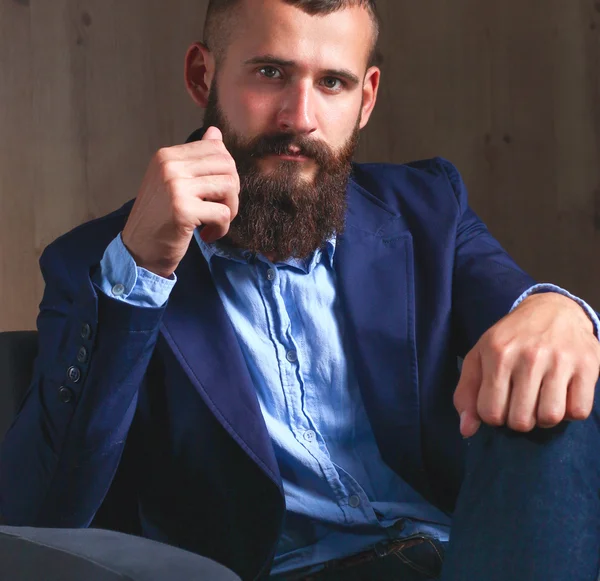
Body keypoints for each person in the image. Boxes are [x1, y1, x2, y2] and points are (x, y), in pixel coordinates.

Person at [1, 0, 600, 579]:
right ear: (201, 74)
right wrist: (141, 272)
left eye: (332, 84)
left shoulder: (428, 208)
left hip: (472, 556)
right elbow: (40, 520)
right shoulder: (99, 261)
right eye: (270, 73)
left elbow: (534, 321)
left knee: (566, 391)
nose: (299, 117)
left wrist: (556, 308)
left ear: (366, 99)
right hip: (287, 571)